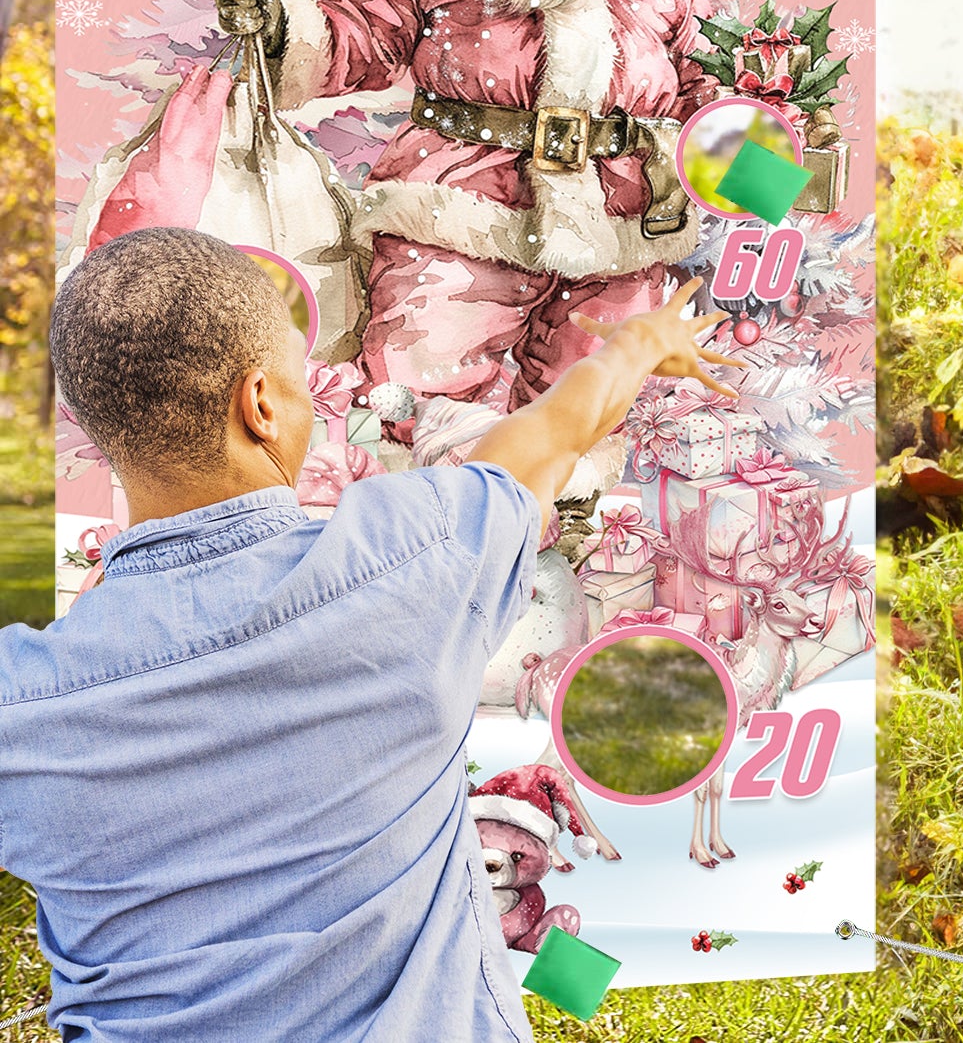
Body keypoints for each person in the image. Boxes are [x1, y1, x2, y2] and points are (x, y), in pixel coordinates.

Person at [0, 226, 742, 1042]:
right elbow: (550, 440)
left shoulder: (20, 709)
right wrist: (637, 345)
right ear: (261, 403)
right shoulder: (416, 551)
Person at [211, 0, 727, 521]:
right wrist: (286, 26)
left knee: (584, 408)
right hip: (458, 202)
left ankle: (552, 564)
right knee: (423, 391)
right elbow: (365, 27)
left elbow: (700, 80)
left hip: (621, 225)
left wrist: (754, 135)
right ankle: (423, 547)